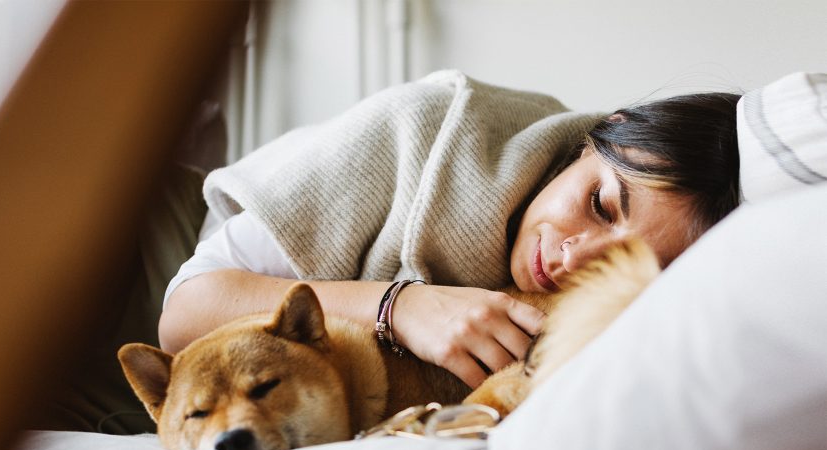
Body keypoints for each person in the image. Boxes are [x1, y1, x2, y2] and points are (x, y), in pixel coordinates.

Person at [159, 72, 741, 389]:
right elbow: (183, 316)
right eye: (600, 204)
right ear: (604, 132)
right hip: (172, 257)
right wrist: (402, 307)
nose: (572, 259)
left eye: (621, 264)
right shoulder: (427, 125)